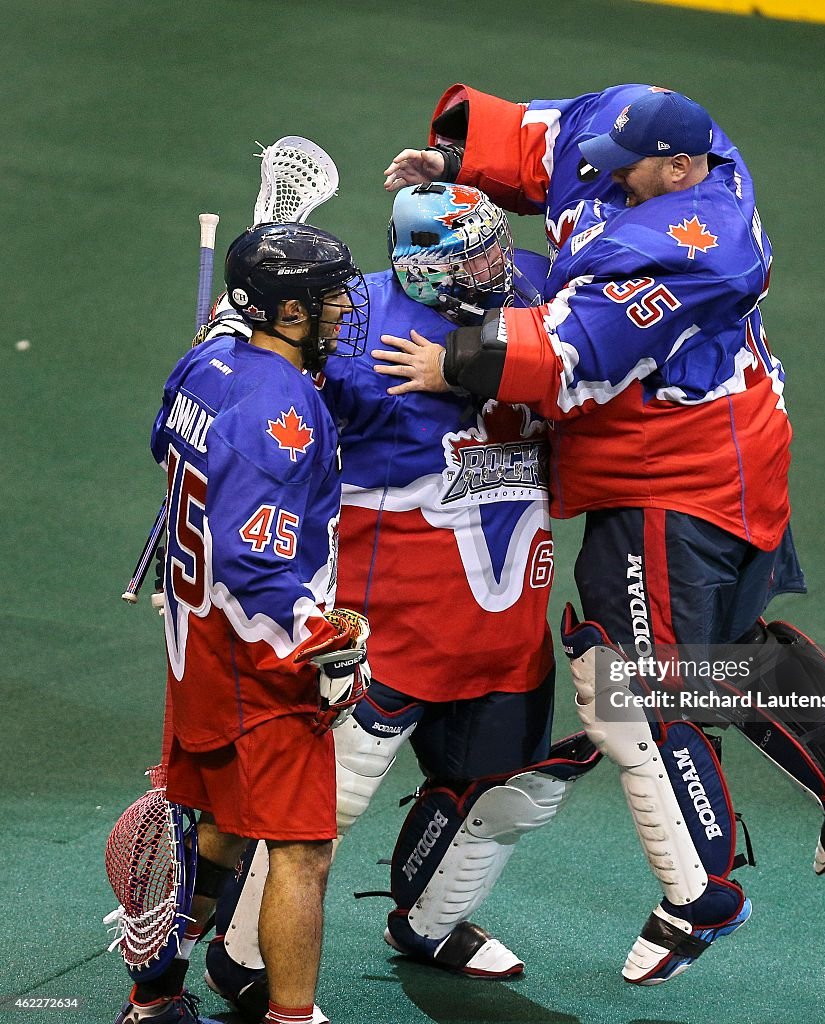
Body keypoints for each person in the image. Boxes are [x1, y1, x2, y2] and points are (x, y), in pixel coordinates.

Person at [379, 84, 825, 985]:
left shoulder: (691, 252)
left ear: (679, 170)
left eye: (628, 174)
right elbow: (547, 137)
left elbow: (565, 359)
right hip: (739, 450)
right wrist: (459, 167)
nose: (606, 180)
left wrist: (450, 359)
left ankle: (698, 896)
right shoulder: (657, 133)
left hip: (672, 479)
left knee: (628, 682)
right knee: (721, 650)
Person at [198, 185, 599, 1023]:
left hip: (502, 618)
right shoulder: (346, 328)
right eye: (473, 256)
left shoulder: (534, 289)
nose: (500, 267)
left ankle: (431, 922)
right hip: (387, 624)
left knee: (498, 788)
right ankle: (243, 958)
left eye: (496, 247)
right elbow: (261, 414)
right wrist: (233, 350)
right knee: (322, 807)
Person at [115, 223, 371, 1024]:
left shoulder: (205, 362)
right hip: (257, 659)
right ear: (289, 310)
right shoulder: (282, 406)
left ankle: (154, 998)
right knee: (303, 850)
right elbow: (254, 559)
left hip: (195, 650)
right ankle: (295, 1017)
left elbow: (165, 439)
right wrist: (317, 647)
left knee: (222, 825)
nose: (343, 310)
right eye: (330, 297)